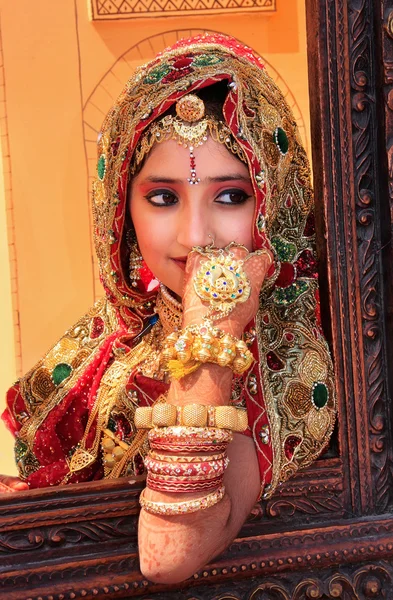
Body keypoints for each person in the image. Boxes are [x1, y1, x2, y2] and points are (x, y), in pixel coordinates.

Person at [1, 34, 336, 582]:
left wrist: (215, 332)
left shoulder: (292, 357)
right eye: (162, 198)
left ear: (275, 202)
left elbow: (167, 556)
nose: (195, 234)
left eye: (230, 196)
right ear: (120, 211)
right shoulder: (112, 337)